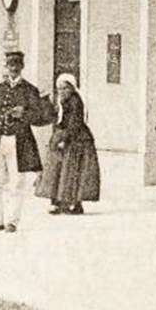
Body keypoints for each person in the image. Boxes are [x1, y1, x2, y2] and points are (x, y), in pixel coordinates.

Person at [0, 50, 51, 233]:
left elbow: (40, 117)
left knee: (17, 182)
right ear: (6, 66)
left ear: (22, 67)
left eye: (17, 64)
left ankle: (12, 221)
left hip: (19, 141)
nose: (13, 68)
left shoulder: (29, 90)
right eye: (10, 64)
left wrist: (24, 114)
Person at [35, 72, 102, 215]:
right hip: (63, 136)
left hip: (76, 140)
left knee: (72, 171)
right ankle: (58, 202)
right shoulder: (62, 101)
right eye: (59, 89)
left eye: (65, 88)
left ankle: (74, 203)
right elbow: (52, 117)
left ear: (72, 88)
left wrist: (64, 139)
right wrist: (44, 101)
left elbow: (74, 123)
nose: (62, 91)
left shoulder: (75, 101)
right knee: (57, 170)